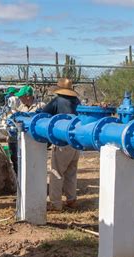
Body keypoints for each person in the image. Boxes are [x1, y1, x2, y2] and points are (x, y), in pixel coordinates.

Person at [42, 78, 81, 211]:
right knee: (71, 171)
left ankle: (55, 203)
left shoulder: (57, 101)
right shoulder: (76, 101)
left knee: (57, 172)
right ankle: (71, 200)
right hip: (76, 141)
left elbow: (43, 114)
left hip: (62, 140)